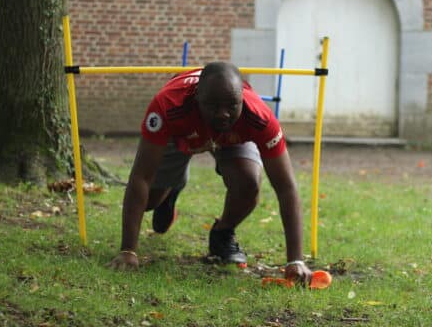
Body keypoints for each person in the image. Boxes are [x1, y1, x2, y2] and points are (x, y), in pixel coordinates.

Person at [107, 61, 312, 284]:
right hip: (181, 134)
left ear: (242, 98)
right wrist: (128, 250)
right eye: (213, 105)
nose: (223, 114)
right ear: (197, 97)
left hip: (232, 137)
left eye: (231, 105)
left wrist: (295, 260)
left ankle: (222, 233)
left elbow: (285, 186)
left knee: (248, 183)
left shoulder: (259, 116)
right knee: (149, 201)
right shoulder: (168, 105)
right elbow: (141, 177)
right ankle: (172, 188)